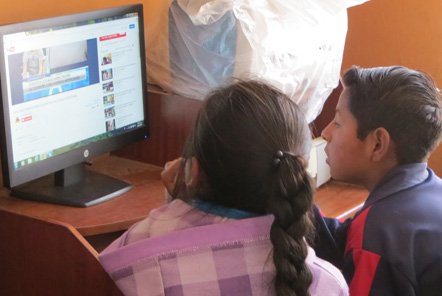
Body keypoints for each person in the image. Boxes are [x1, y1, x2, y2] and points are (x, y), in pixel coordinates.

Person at [100, 80, 348, 296]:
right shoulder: (327, 284)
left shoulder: (137, 255)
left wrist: (178, 201)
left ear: (193, 172)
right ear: (298, 173)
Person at [313, 65, 442, 296]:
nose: (325, 132)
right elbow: (350, 237)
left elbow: (369, 242)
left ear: (377, 144)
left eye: (338, 122)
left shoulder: (377, 233)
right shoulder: (431, 190)